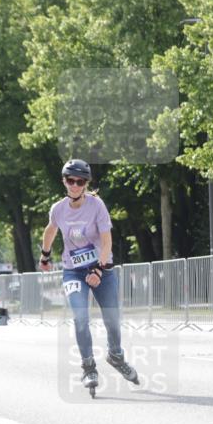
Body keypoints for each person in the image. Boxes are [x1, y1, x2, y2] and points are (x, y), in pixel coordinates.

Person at [39, 159, 138, 394]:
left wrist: (97, 269)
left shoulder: (96, 205)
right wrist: (44, 255)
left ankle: (115, 355)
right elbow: (51, 229)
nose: (74, 185)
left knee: (112, 319)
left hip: (101, 268)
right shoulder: (58, 209)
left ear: (86, 184)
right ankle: (88, 367)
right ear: (64, 181)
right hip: (72, 270)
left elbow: (106, 241)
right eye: (70, 180)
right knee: (80, 317)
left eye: (80, 181)